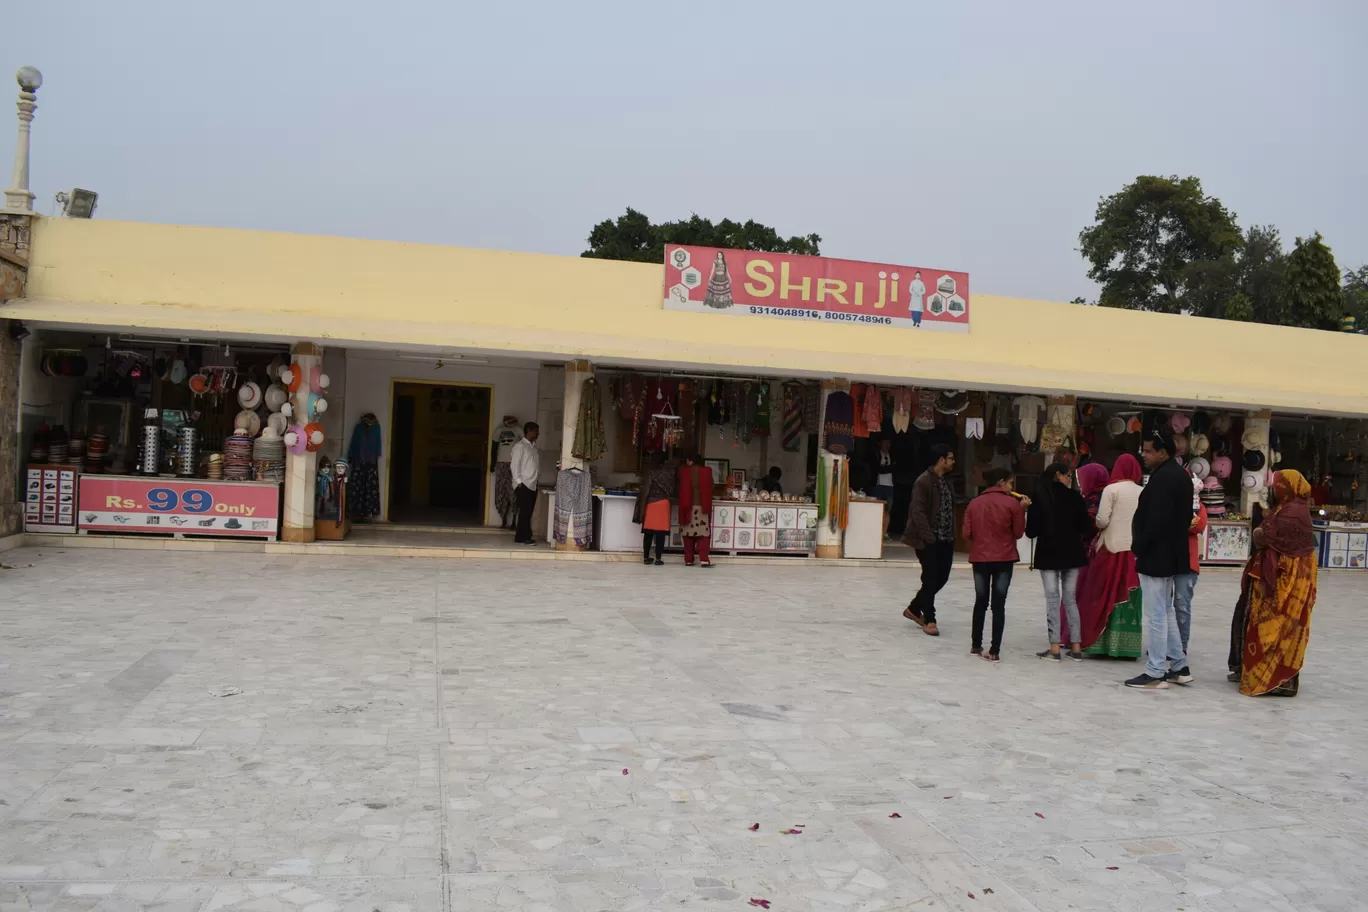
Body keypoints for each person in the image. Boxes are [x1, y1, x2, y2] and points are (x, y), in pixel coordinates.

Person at [1229, 471, 1318, 697]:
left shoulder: (1292, 512)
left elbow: (1267, 537)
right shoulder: (1287, 507)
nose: (1272, 488)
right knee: (1251, 620)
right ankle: (1247, 669)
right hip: (1273, 577)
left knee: (1276, 627)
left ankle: (1275, 679)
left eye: (1276, 484)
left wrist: (1259, 531)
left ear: (1288, 487)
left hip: (1283, 583)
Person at [1126, 428, 1193, 689]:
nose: (1144, 454)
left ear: (1163, 452)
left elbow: (1157, 520)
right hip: (1171, 553)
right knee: (1165, 611)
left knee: (1155, 615)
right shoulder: (1178, 475)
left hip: (1157, 555)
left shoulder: (1164, 479)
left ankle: (1155, 671)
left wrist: (1140, 546)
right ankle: (1179, 665)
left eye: (1149, 450)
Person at [1079, 454, 1145, 657]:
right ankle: (1127, 648)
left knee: (1101, 594)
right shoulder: (1143, 491)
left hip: (1111, 547)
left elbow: (1101, 521)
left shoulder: (1111, 489)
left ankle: (1101, 644)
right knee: (1130, 596)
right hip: (1133, 551)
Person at [1026, 462, 1091, 661]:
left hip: (1048, 554)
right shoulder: (1074, 497)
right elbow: (1086, 527)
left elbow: (1031, 532)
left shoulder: (1040, 497)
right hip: (1072, 553)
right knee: (1070, 599)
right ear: (1058, 475)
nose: (1069, 479)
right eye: (1067, 475)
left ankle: (1054, 648)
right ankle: (1077, 646)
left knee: (1052, 599)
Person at [962, 467, 1029, 661]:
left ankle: (976, 645)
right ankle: (994, 650)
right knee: (998, 605)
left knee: (980, 601)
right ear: (1001, 482)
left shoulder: (974, 504)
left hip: (980, 558)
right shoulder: (1012, 504)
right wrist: (1022, 510)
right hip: (1004, 559)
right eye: (1010, 483)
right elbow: (1018, 533)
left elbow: (966, 534)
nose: (1011, 487)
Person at [902, 443, 957, 637]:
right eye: (950, 458)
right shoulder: (923, 481)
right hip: (929, 540)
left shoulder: (946, 481)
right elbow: (918, 512)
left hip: (946, 539)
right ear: (941, 460)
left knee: (941, 578)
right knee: (930, 578)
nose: (953, 462)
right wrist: (929, 538)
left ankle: (914, 608)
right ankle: (930, 618)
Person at [1174, 483, 1208, 656]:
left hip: (1187, 563)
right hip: (1165, 559)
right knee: (1161, 606)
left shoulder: (1198, 506)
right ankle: (1163, 643)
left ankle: (1181, 645)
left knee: (1181, 605)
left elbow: (1199, 526)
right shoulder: (1168, 502)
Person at [634, 451, 676, 566]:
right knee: (660, 533)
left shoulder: (649, 472)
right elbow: (672, 490)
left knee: (648, 533)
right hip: (663, 504)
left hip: (651, 504)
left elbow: (644, 490)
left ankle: (646, 557)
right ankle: (658, 559)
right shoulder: (669, 473)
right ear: (665, 461)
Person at [678, 453, 715, 568]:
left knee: (688, 534)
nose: (686, 463)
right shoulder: (707, 471)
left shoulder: (684, 471)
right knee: (703, 535)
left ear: (691, 461)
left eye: (687, 461)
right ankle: (704, 559)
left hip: (687, 506)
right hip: (701, 507)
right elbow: (711, 486)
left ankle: (689, 560)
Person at [510, 422, 540, 545]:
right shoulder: (520, 446)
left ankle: (521, 537)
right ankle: (525, 537)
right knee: (525, 512)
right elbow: (514, 465)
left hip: (532, 484)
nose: (538, 433)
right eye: (536, 431)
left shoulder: (533, 447)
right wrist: (518, 482)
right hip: (524, 484)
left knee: (528, 512)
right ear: (529, 431)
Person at [870, 437, 897, 537]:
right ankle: (875, 531)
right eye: (885, 442)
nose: (887, 445)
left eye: (888, 443)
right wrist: (889, 468)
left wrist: (887, 468)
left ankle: (884, 533)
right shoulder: (876, 455)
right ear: (880, 443)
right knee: (876, 508)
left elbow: (894, 469)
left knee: (887, 510)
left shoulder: (892, 456)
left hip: (889, 485)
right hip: (878, 485)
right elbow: (878, 469)